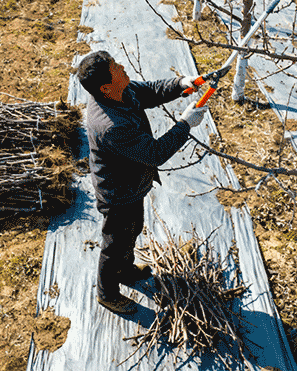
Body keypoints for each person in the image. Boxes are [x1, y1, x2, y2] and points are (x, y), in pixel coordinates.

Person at [75, 50, 207, 314]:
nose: (123, 67)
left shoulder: (118, 91)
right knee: (115, 245)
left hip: (132, 186)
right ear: (105, 87)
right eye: (116, 68)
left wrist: (182, 84)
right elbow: (154, 153)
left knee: (133, 231)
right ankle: (107, 293)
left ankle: (125, 270)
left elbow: (149, 92)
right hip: (118, 194)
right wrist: (185, 125)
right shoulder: (111, 125)